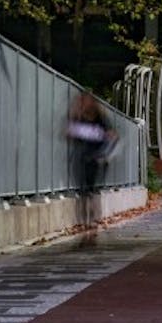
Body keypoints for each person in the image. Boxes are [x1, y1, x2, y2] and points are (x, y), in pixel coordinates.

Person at [66, 91, 116, 247]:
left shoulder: (101, 119)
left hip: (96, 160)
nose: (83, 104)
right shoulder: (78, 117)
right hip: (81, 158)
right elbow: (68, 135)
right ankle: (85, 228)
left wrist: (105, 153)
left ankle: (93, 228)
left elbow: (113, 136)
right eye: (81, 101)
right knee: (82, 194)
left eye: (86, 101)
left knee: (92, 193)